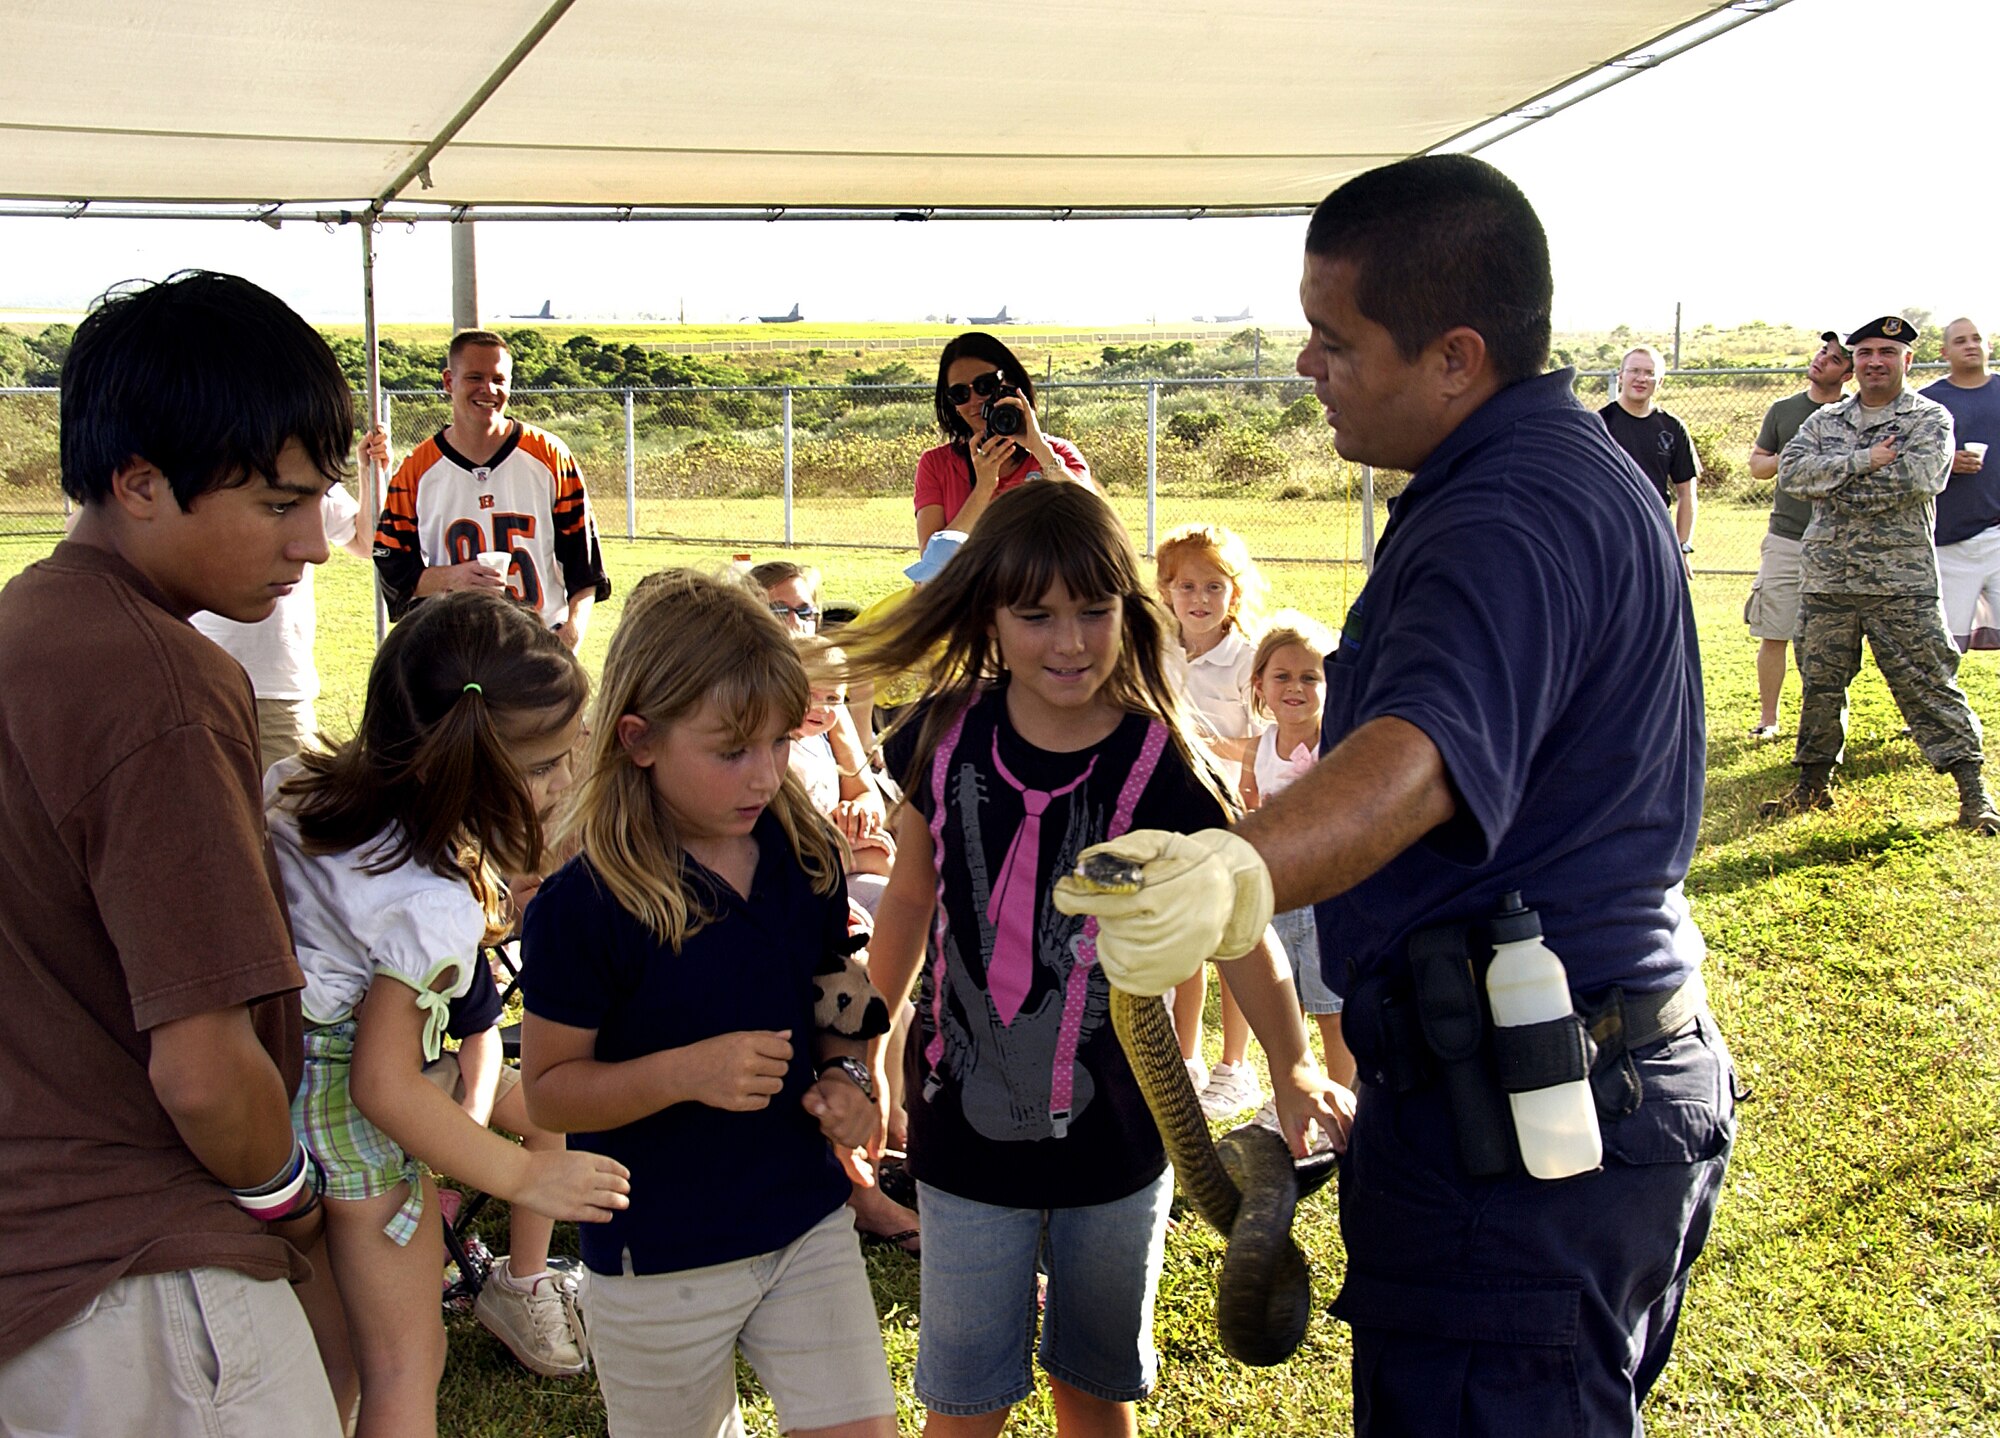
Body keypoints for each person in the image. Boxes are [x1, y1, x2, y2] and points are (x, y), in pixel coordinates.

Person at [1057, 155, 1736, 1437]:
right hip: (1578, 1092)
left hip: (1524, 1146)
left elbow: (1419, 750)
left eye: (1333, 337)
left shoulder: (1506, 514)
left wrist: (1233, 871)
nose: (1305, 366)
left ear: (1453, 357)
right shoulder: (1556, 469)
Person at [843, 480, 1344, 1438]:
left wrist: (1293, 1065)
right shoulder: (944, 736)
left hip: (1117, 1143)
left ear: (1128, 610)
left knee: (1095, 1386)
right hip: (960, 1136)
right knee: (963, 1400)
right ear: (989, 610)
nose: (1067, 642)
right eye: (1035, 614)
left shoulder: (1164, 763)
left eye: (1093, 611)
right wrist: (873, 1038)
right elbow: (908, 895)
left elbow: (1241, 930)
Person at [0, 270, 348, 1435]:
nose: (313, 543)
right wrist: (291, 1207)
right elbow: (202, 1067)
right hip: (143, 1283)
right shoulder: (161, 678)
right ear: (137, 480)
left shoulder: (23, 629)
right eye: (274, 502)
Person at [517, 570, 899, 1438]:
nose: (765, 774)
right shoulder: (586, 903)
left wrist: (847, 1074)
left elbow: (837, 983)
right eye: (732, 750)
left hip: (803, 1220)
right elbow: (548, 1091)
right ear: (639, 739)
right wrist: (686, 1073)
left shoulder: (802, 848)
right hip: (657, 1253)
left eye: (776, 741)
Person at [269, 590, 632, 1437]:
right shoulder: (434, 905)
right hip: (353, 1146)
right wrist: (523, 1176)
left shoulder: (293, 786)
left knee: (332, 1360)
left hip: (274, 1103)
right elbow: (384, 1086)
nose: (565, 782)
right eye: (544, 767)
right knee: (406, 1362)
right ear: (461, 769)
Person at [1761, 316, 1999, 832]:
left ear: (1906, 361)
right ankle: (1811, 786)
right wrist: (1867, 459)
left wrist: (1837, 477)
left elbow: (1919, 479)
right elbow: (1794, 474)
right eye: (1865, 352)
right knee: (1820, 684)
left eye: (1887, 353)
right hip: (1829, 581)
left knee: (1931, 683)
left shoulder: (1929, 418)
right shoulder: (1825, 419)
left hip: (1902, 583)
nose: (1875, 362)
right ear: (1855, 362)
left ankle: (1973, 793)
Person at [371, 329, 611, 646]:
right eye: (475, 377)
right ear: (448, 382)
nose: (489, 389)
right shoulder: (417, 469)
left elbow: (586, 567)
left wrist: (573, 629)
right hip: (456, 649)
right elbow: (394, 569)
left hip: (536, 645)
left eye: (499, 379)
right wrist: (452, 578)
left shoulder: (550, 456)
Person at [1154, 522, 1269, 1120]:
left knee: (1235, 942)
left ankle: (1236, 1066)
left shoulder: (1251, 659)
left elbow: (1279, 742)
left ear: (1235, 591)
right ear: (1166, 591)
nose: (1199, 600)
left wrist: (1218, 749)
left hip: (1234, 821)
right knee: (1185, 941)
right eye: (1186, 586)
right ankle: (1188, 1055)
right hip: (1174, 815)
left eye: (1214, 586)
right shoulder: (1159, 650)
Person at [192, 466, 375, 772]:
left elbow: (366, 542)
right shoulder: (198, 467)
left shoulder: (304, 469)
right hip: (201, 687)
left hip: (279, 688)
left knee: (294, 812)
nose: (318, 551)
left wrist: (370, 474)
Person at [1238, 611, 1353, 1091]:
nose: (1296, 687)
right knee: (1287, 1006)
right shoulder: (1260, 746)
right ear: (1260, 684)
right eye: (1282, 676)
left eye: (1311, 676)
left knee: (1333, 1009)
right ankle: (1294, 1091)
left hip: (1329, 897)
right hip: (1280, 894)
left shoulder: (1341, 743)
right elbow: (1249, 804)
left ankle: (1347, 1096)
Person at [1743, 332, 1853, 740]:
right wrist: (1786, 456)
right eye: (1823, 351)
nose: (1823, 359)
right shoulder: (1784, 410)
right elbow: (1757, 466)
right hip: (1786, 538)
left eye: (1836, 358)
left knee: (1834, 640)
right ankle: (1768, 719)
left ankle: (1826, 720)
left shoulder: (1855, 413)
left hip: (1837, 540)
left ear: (1849, 373)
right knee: (1775, 631)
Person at [914, 330, 1094, 548]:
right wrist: (984, 488)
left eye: (986, 385)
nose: (976, 400)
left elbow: (1095, 525)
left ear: (1011, 383)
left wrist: (1041, 451)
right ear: (952, 404)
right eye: (960, 393)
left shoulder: (1055, 453)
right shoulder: (937, 465)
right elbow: (932, 563)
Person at [1920, 316, 2000, 650]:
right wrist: (1947, 465)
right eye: (1960, 341)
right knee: (1942, 649)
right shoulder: (1927, 402)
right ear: (1944, 352)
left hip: (1998, 534)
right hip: (1948, 542)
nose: (1970, 345)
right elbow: (1904, 463)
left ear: (1989, 346)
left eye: (1976, 339)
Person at [1599, 344, 1701, 575]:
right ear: (1621, 376)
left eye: (1649, 373)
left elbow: (1687, 494)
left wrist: (1681, 548)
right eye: (1634, 371)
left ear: (1661, 381)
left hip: (1655, 536)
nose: (1641, 379)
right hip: (1608, 537)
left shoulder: (1672, 428)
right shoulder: (1599, 425)